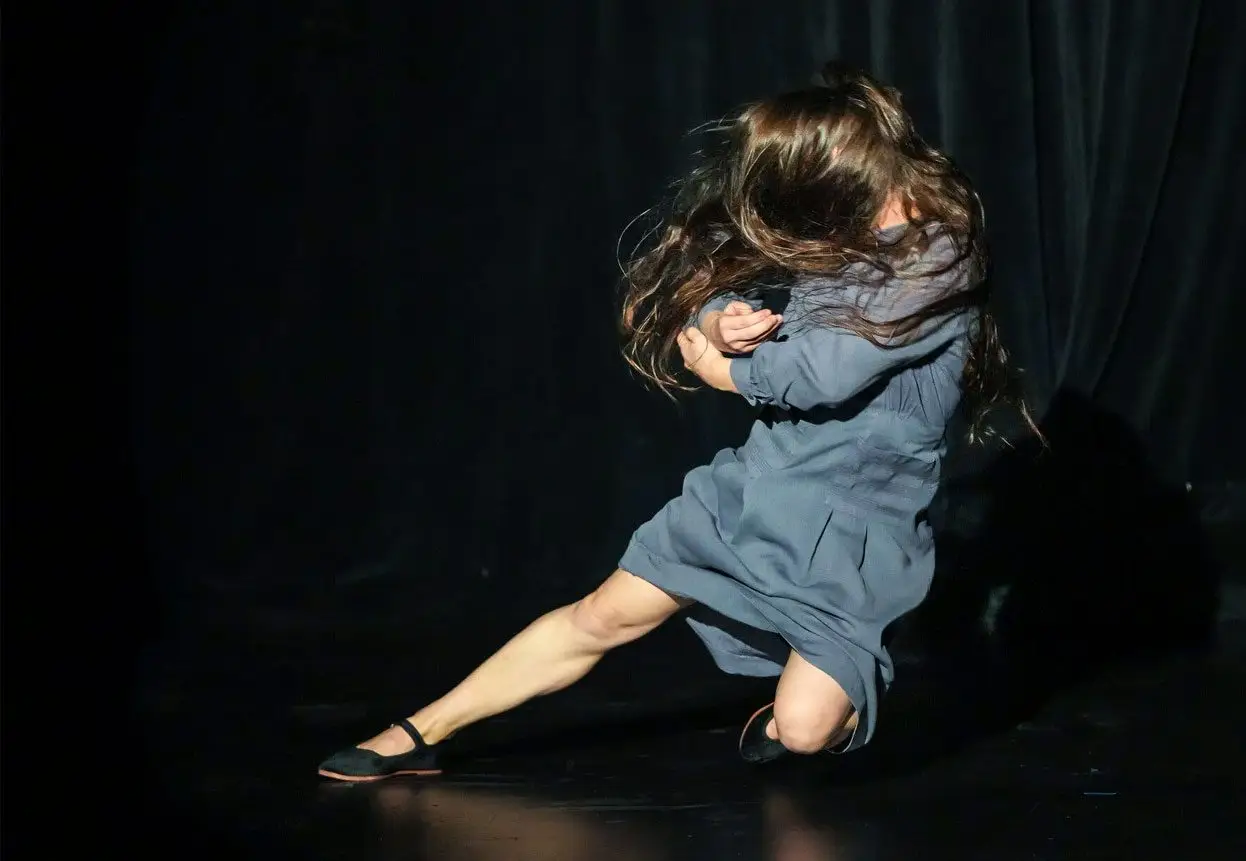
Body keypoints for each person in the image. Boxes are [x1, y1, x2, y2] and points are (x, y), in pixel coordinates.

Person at [317, 62, 1037, 782]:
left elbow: (829, 371)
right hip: (763, 490)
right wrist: (722, 324)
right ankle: (419, 731)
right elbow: (735, 296)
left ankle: (813, 712)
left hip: (855, 530)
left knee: (807, 730)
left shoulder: (942, 251)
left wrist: (726, 371)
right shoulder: (843, 218)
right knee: (603, 614)